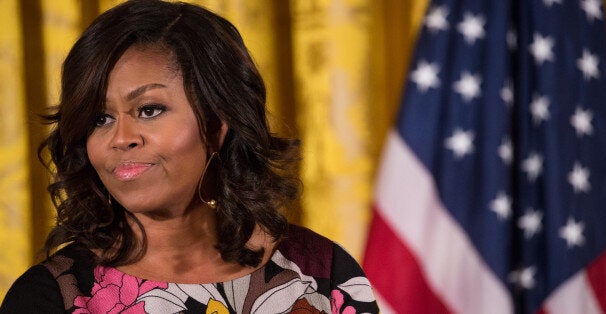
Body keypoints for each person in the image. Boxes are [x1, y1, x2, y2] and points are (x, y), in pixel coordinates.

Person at [0, 0, 379, 313]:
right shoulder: (54, 295)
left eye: (149, 110)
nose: (121, 139)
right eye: (101, 118)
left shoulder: (317, 272)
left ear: (217, 124)